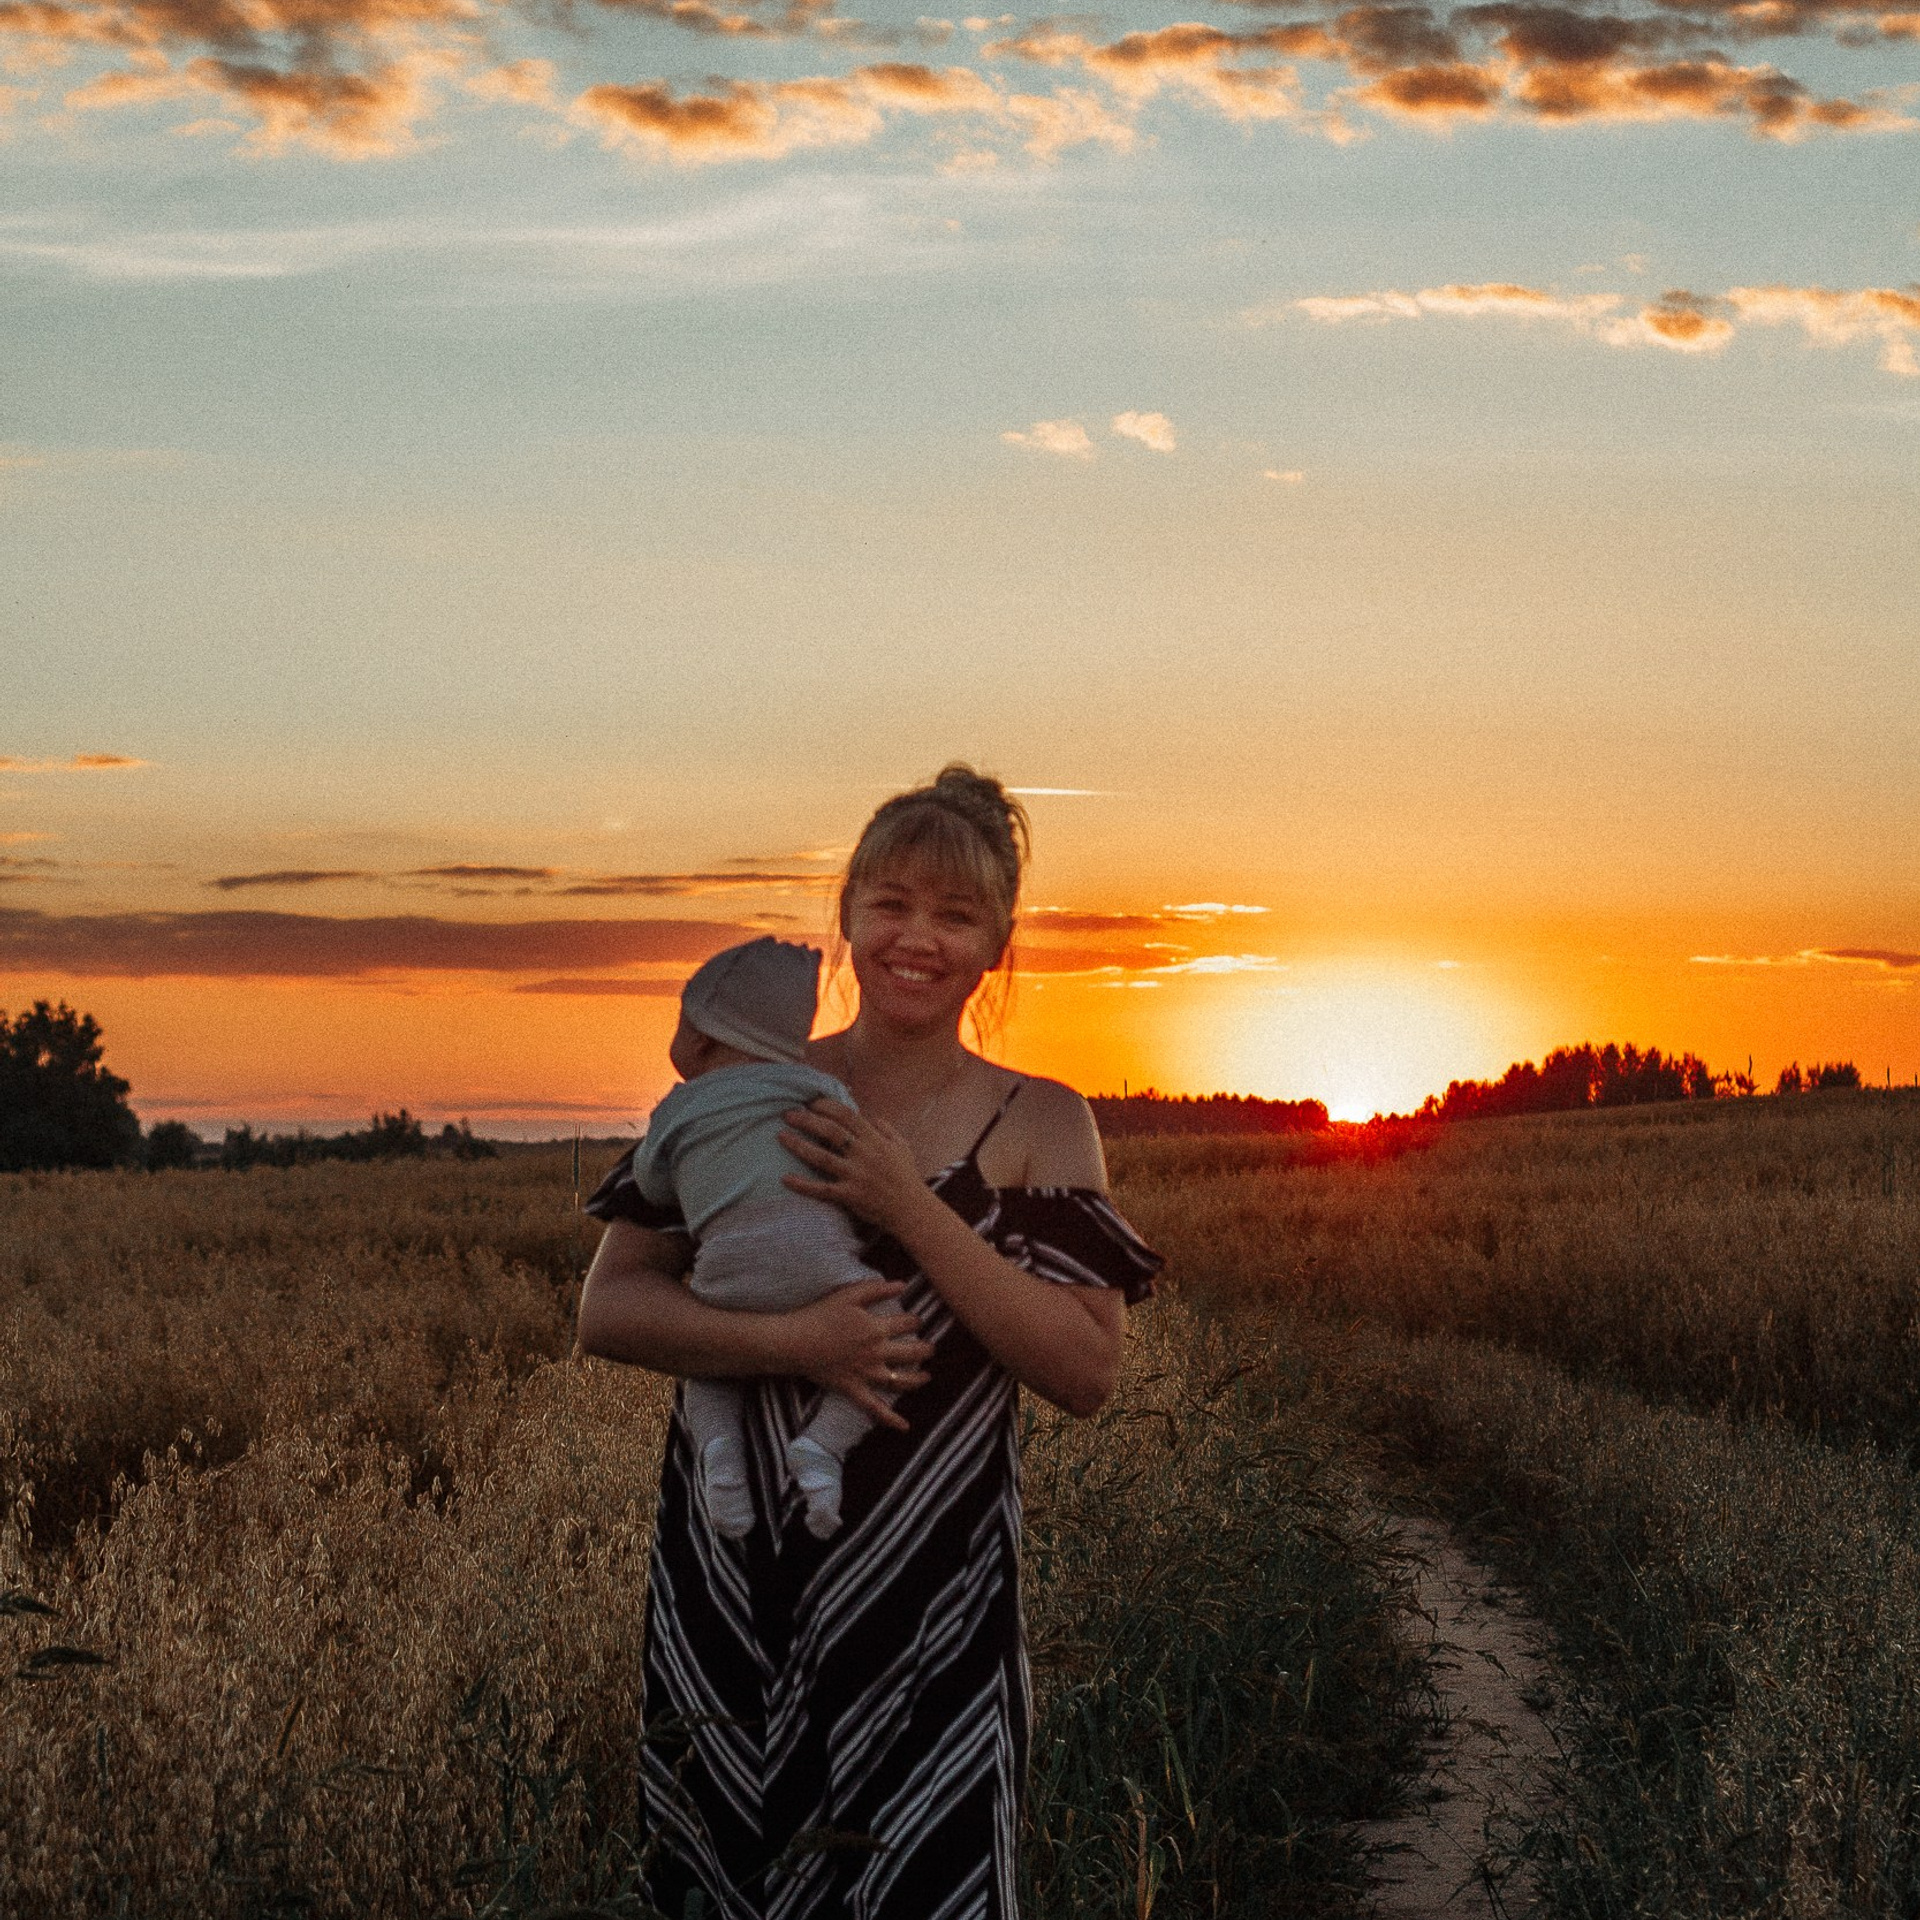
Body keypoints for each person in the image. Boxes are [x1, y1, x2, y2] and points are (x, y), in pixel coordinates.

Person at [577, 764, 1163, 1920]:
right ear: (846, 915)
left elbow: (1087, 1371)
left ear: (997, 944)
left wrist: (907, 1206)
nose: (917, 939)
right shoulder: (751, 1084)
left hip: (935, 1610)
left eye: (956, 914)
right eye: (891, 904)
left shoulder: (1041, 1121)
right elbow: (609, 1309)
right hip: (732, 1591)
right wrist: (798, 1340)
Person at [630, 934, 897, 1542]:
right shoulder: (817, 1089)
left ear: (700, 1037)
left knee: (709, 1366)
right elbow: (852, 1153)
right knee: (892, 1336)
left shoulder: (677, 1108)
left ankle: (720, 1453)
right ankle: (823, 1449)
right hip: (822, 1272)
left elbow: (651, 1184)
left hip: (726, 1277)